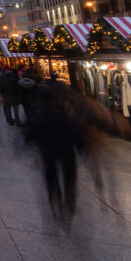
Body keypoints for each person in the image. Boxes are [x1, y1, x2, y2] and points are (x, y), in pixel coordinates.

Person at [27, 86, 81, 220]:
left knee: (51, 176)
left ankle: (55, 199)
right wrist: (80, 146)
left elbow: (31, 135)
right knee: (69, 177)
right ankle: (69, 199)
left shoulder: (38, 116)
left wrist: (29, 143)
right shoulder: (64, 115)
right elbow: (75, 132)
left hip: (49, 151)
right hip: (67, 151)